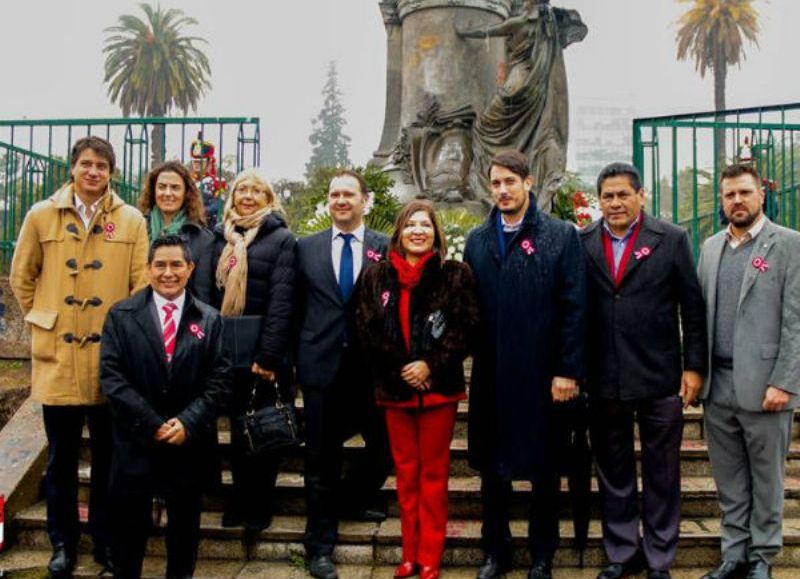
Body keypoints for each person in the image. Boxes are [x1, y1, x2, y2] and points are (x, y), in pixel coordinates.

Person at [9, 136, 149, 577]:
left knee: (109, 460)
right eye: (86, 164)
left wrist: (122, 333)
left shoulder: (129, 221)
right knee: (61, 461)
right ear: (72, 168)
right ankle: (62, 544)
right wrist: (43, 318)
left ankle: (105, 543)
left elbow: (140, 285)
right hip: (59, 360)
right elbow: (21, 276)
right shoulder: (40, 215)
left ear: (112, 173)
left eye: (102, 166)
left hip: (110, 361)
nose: (93, 172)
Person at [580, 163, 707, 579]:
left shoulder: (670, 239)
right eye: (607, 196)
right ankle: (621, 553)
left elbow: (692, 307)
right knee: (613, 472)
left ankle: (658, 558)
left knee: (662, 473)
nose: (615, 203)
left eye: (623, 195)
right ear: (598, 200)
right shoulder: (581, 242)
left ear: (641, 195)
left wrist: (694, 368)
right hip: (604, 378)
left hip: (659, 375)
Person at [464, 150, 586, 579]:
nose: (502, 190)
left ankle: (542, 553)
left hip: (543, 377)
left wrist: (568, 370)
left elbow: (574, 308)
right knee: (492, 472)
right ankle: (496, 550)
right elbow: (469, 309)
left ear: (528, 183)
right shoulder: (478, 241)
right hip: (493, 377)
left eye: (509, 182)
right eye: (495, 183)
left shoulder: (560, 236)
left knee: (544, 469)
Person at [353, 201, 479, 579]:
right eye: (411, 225)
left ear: (436, 232)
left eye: (425, 225)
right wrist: (404, 370)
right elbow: (366, 329)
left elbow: (466, 327)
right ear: (399, 233)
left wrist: (431, 364)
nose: (418, 231)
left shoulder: (454, 275)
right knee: (406, 474)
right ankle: (409, 554)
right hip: (395, 391)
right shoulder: (377, 277)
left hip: (438, 390)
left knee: (434, 474)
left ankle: (430, 555)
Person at [100, 235, 231, 579]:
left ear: (191, 269)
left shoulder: (210, 320)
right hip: (136, 442)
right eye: (160, 265)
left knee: (184, 532)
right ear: (148, 268)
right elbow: (112, 378)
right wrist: (151, 422)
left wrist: (187, 422)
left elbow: (219, 381)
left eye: (176, 265)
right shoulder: (121, 315)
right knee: (128, 533)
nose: (168, 273)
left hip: (187, 444)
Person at [697, 163, 800, 579]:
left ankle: (762, 557)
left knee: (767, 479)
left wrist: (785, 381)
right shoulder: (709, 247)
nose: (736, 201)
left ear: (762, 195)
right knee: (729, 479)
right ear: (721, 201)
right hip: (717, 383)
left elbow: (797, 321)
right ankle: (733, 553)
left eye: (744, 193)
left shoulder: (789, 245)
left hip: (765, 386)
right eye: (729, 195)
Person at [295, 169, 393, 579]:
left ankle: (351, 500)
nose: (340, 201)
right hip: (321, 367)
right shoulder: (306, 248)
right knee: (320, 459)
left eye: (348, 194)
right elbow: (293, 306)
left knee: (384, 447)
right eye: (334, 194)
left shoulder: (386, 247)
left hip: (372, 369)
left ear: (364, 201)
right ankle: (319, 546)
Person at [211, 168, 297, 531]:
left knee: (264, 433)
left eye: (256, 191)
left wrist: (269, 355)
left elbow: (282, 300)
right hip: (226, 353)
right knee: (236, 432)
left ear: (268, 198)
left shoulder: (281, 240)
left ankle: (260, 505)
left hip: (264, 356)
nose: (247, 196)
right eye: (241, 189)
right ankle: (239, 500)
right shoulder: (220, 239)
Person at [455, 0, 587, 209]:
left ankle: (487, 177)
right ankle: (510, 166)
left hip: (518, 83)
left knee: (483, 128)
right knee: (521, 132)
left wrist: (463, 32)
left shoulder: (520, 23)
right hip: (536, 84)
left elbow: (489, 30)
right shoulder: (546, 26)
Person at [138, 161, 215, 303]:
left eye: (175, 188)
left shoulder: (203, 239)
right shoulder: (138, 228)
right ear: (153, 190)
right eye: (162, 187)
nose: (168, 193)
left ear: (186, 193)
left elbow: (202, 295)